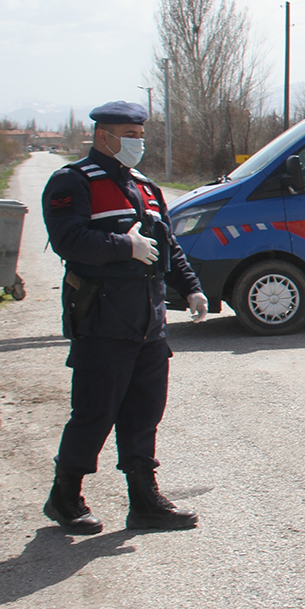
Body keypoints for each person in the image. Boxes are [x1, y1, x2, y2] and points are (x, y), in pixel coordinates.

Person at [41, 100, 209, 535]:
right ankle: (66, 495)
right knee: (95, 412)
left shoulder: (145, 186)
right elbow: (67, 239)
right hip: (102, 317)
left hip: (148, 320)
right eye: (130, 136)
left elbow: (168, 245)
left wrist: (190, 287)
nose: (138, 143)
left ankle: (144, 500)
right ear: (104, 137)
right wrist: (123, 246)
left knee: (144, 412)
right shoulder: (72, 182)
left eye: (140, 136)